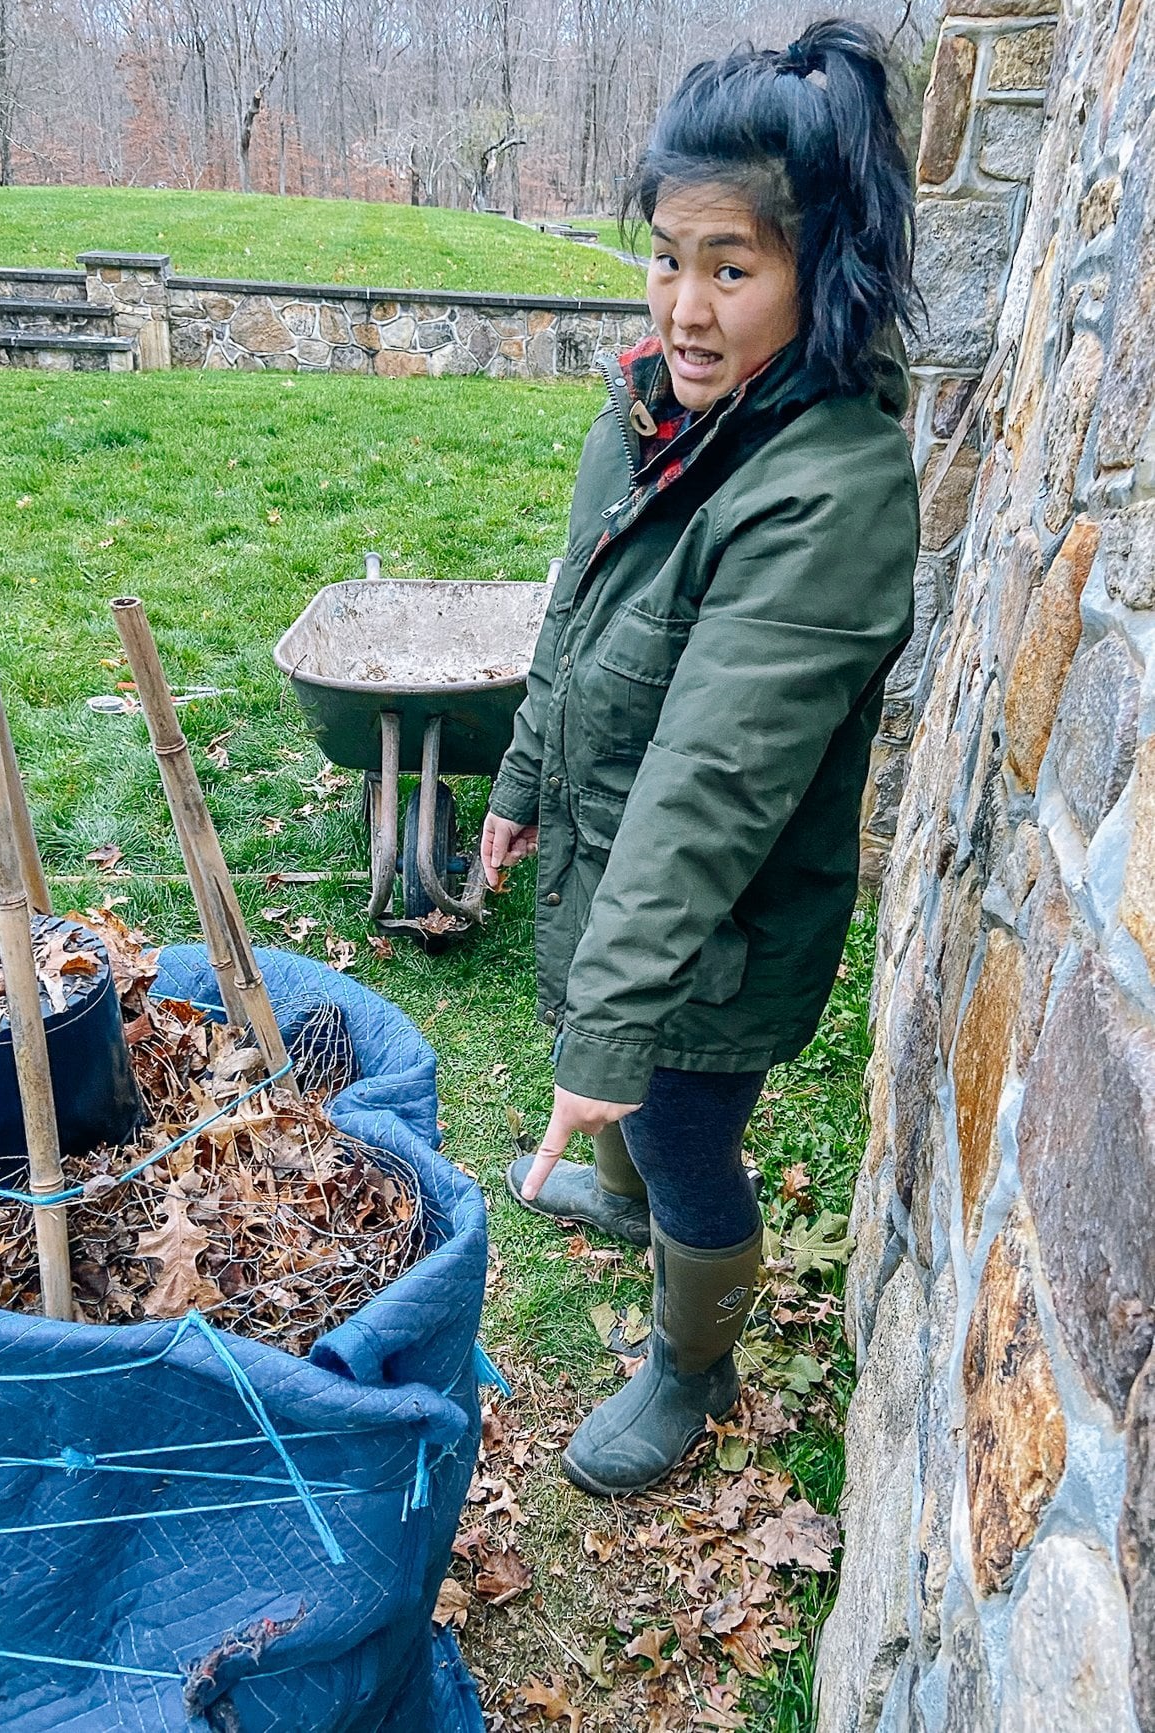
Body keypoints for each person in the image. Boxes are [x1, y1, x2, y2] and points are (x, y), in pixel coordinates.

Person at [480, 19, 921, 1498]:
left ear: (824, 273)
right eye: (667, 257)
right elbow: (577, 606)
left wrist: (605, 1031)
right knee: (630, 1092)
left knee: (679, 1126)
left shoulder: (831, 492)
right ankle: (630, 1187)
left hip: (720, 925)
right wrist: (525, 781)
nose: (683, 305)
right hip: (623, 872)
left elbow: (710, 789)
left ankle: (692, 1362)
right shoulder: (659, 416)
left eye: (732, 268)